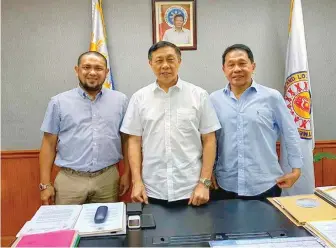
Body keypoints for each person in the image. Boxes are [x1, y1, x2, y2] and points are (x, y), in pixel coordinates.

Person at [120, 41, 221, 206]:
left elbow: (209, 140)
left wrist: (204, 183)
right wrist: (136, 182)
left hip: (191, 189)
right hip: (152, 189)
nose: (165, 65)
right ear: (150, 64)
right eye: (159, 61)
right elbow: (134, 141)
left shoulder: (199, 95)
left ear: (179, 62)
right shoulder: (139, 98)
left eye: (170, 59)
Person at [210, 44, 303, 201]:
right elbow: (210, 140)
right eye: (231, 64)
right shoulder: (213, 100)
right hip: (225, 184)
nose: (237, 69)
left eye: (242, 63)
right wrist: (208, 172)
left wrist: (296, 169)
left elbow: (290, 132)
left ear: (253, 66)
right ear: (224, 69)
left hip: (265, 184)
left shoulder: (272, 97)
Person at [39, 51, 130, 205]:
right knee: (68, 227)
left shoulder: (120, 101)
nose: (92, 72)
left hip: (107, 179)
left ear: (106, 72)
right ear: (77, 70)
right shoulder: (58, 102)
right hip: (69, 180)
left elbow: (126, 140)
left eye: (98, 68)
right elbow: (49, 144)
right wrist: (45, 184)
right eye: (86, 67)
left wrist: (127, 173)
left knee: (106, 226)